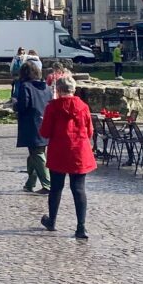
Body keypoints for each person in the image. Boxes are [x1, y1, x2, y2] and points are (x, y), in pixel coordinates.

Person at [38, 75, 96, 240]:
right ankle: (81, 227)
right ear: (73, 89)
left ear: (59, 90)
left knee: (56, 187)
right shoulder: (83, 107)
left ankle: (52, 221)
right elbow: (90, 131)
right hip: (79, 151)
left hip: (59, 151)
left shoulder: (52, 107)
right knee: (78, 189)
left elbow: (45, 132)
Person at [15, 62, 51, 194]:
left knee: (37, 154)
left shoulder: (26, 86)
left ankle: (48, 184)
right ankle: (30, 183)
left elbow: (23, 105)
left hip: (32, 124)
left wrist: (15, 105)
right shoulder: (46, 87)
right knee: (33, 155)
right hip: (44, 121)